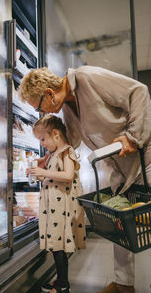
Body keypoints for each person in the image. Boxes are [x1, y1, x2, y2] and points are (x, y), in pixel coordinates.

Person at [19, 66, 151, 293]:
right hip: (119, 167)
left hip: (144, 158)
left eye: (39, 107)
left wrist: (134, 136)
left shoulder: (88, 77)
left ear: (49, 94)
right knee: (120, 228)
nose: (41, 112)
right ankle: (123, 285)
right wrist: (48, 156)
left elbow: (138, 92)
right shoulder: (69, 108)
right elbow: (72, 139)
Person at [28, 114, 86, 293]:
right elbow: (49, 175)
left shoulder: (66, 151)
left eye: (43, 139)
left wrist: (43, 172)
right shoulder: (52, 154)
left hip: (61, 209)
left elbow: (68, 175)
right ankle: (61, 281)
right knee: (55, 245)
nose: (42, 143)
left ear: (56, 134)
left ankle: (63, 285)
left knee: (58, 247)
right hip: (54, 208)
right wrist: (38, 170)